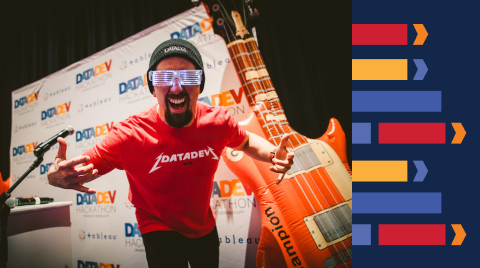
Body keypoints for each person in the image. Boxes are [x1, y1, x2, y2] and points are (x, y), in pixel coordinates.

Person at [47, 39, 294, 268]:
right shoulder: (129, 134)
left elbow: (247, 141)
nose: (176, 87)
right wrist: (56, 177)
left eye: (187, 76)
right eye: (164, 77)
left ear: (200, 84)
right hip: (156, 224)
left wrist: (273, 153)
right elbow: (77, 171)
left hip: (203, 225)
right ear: (153, 87)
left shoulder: (218, 122)